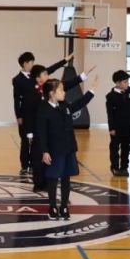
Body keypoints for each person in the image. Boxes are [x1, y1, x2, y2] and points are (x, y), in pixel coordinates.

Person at [36, 75, 98, 220]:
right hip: (54, 151)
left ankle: (64, 206)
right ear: (52, 93)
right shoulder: (43, 110)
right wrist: (44, 151)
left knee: (66, 178)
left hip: (68, 149)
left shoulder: (65, 105)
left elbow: (79, 104)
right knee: (53, 178)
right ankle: (52, 206)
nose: (64, 92)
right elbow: (41, 133)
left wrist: (92, 90)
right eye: (61, 90)